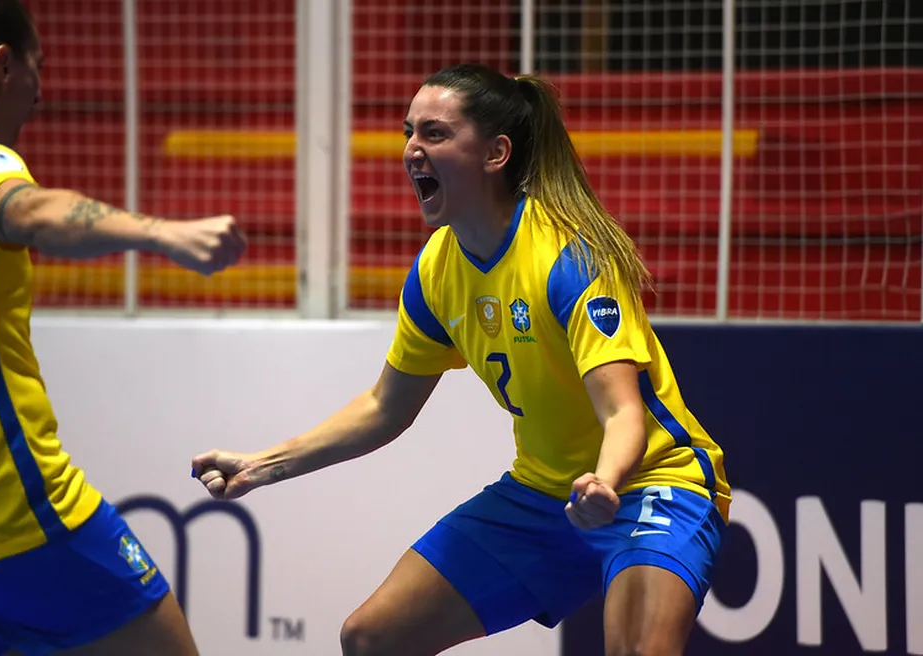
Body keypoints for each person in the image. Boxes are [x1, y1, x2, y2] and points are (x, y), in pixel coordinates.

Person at [192, 63, 731, 656]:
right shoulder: (435, 270)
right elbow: (383, 407)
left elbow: (623, 411)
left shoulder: (566, 259)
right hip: (541, 496)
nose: (411, 150)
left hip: (651, 484)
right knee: (373, 637)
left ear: (495, 153)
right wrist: (263, 465)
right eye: (408, 133)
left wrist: (604, 482)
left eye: (434, 134)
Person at [0, 1, 248, 654]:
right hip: (12, 510)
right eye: (36, 67)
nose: (41, 90)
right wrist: (164, 233)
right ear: (2, 65)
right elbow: (32, 211)